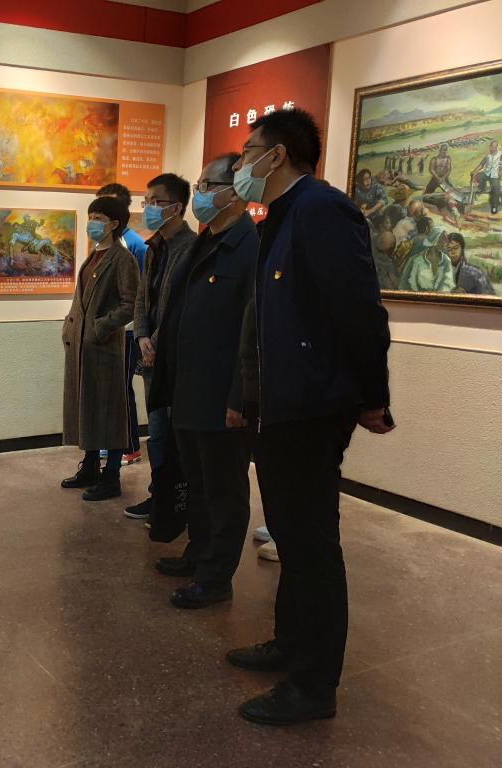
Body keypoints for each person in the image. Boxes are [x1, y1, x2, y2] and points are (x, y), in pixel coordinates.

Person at [227, 108, 393, 726]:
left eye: (249, 151)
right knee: (291, 535)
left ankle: (314, 685)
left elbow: (360, 312)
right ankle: (290, 642)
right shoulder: (280, 216)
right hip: (281, 406)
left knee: (312, 544)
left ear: (278, 154)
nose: (241, 163)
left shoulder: (322, 210)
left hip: (311, 408)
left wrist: (373, 396)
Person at [147, 154, 257, 609]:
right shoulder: (204, 241)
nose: (201, 195)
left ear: (234, 191)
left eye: (208, 186)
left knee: (224, 491)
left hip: (221, 396)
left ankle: (215, 578)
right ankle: (198, 553)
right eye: (199, 186)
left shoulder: (249, 247)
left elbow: (252, 332)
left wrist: (240, 397)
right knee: (196, 483)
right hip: (189, 390)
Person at [126, 173, 196, 520]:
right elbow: (143, 296)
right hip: (150, 354)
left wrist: (156, 342)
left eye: (156, 202)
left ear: (177, 207)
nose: (149, 208)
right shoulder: (154, 247)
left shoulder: (192, 247)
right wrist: (142, 336)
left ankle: (176, 500)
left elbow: (182, 306)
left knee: (174, 436)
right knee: (155, 433)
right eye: (147, 201)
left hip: (175, 359)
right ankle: (159, 495)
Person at [61, 196, 140, 501]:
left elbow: (130, 304)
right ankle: (91, 466)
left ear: (113, 224)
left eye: (98, 218)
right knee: (88, 409)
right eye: (91, 216)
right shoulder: (93, 255)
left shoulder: (122, 259)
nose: (91, 223)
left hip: (105, 349)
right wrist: (70, 328)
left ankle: (111, 476)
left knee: (110, 413)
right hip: (83, 348)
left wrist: (100, 327)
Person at [96, 183, 148, 466]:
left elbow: (139, 295)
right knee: (109, 389)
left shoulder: (132, 245)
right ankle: (112, 442)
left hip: (125, 332)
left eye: (105, 209)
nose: (98, 216)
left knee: (121, 388)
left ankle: (130, 446)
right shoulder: (105, 243)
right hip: (108, 330)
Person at [399, 226, 456, 292]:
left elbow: (448, 283)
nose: (447, 241)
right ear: (435, 240)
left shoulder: (446, 260)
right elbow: (405, 285)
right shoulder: (415, 260)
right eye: (444, 238)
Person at [471, 139, 501, 214]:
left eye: (494, 147)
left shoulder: (500, 154)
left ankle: (494, 207)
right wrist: (474, 171)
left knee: (495, 189)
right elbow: (481, 165)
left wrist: (500, 172)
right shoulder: (488, 155)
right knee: (479, 176)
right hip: (487, 173)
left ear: (496, 147)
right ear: (490, 147)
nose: (492, 148)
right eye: (491, 146)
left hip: (495, 175)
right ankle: (482, 188)